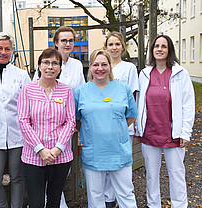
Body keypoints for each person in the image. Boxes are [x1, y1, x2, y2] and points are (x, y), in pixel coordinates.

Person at [136, 35, 195, 208]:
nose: (159, 49)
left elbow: (188, 104)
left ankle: (179, 205)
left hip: (172, 132)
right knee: (152, 174)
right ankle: (153, 204)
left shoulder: (180, 73)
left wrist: (186, 132)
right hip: (150, 132)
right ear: (152, 50)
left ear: (169, 50)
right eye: (156, 46)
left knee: (176, 172)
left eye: (164, 46)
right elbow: (140, 102)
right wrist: (139, 128)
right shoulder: (145, 73)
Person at [74, 49, 138, 208]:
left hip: (118, 151)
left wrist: (115, 128)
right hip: (94, 152)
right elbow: (76, 120)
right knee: (95, 197)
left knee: (126, 194)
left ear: (110, 66)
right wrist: (93, 131)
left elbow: (131, 116)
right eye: (95, 64)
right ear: (90, 67)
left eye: (104, 64)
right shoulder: (80, 92)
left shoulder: (123, 89)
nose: (100, 68)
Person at [17, 48, 75, 208]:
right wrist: (41, 149)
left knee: (54, 201)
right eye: (46, 63)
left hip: (60, 157)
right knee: (36, 203)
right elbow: (23, 121)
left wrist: (57, 149)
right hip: (33, 157)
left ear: (60, 67)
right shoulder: (27, 90)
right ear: (39, 66)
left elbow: (70, 122)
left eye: (55, 63)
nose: (50, 67)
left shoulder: (66, 90)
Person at [0, 32, 31, 208]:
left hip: (18, 134)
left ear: (12, 51)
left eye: (7, 49)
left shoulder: (22, 75)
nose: (3, 52)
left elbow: (29, 104)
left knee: (18, 177)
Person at [103, 31, 139, 208]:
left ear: (123, 47)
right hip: (103, 126)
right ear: (106, 47)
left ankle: (122, 198)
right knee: (106, 165)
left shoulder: (129, 68)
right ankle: (108, 199)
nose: (114, 47)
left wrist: (125, 123)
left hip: (124, 125)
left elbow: (132, 96)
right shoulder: (102, 67)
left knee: (121, 165)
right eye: (111, 44)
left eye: (117, 44)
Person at [33, 26, 85, 91]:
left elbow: (82, 90)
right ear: (56, 43)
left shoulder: (77, 64)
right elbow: (35, 87)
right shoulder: (46, 64)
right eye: (64, 41)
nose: (68, 44)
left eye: (71, 41)